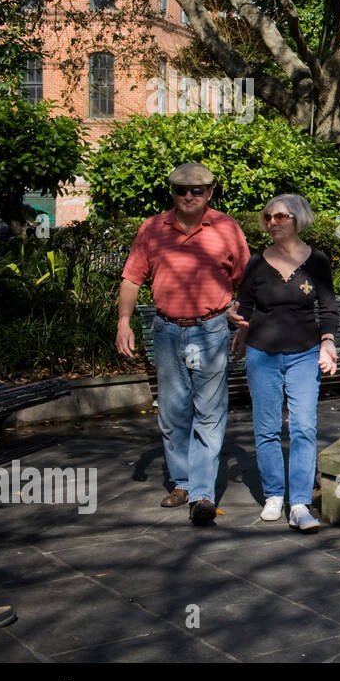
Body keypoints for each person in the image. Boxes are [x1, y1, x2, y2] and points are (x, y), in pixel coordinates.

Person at [117, 163, 249, 526]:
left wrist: (242, 324)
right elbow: (131, 279)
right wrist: (123, 322)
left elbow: (247, 283)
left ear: (210, 192)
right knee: (173, 414)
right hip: (167, 331)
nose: (189, 196)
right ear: (172, 191)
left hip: (212, 330)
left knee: (209, 413)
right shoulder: (152, 228)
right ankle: (182, 483)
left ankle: (203, 493)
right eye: (181, 190)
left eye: (197, 190)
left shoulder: (227, 228)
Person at [230, 194, 338, 533]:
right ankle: (274, 494)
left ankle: (300, 503)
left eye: (281, 217)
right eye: (269, 217)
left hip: (305, 353)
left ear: (299, 220)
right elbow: (245, 306)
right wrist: (236, 322)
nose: (273, 222)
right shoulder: (257, 263)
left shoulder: (317, 262)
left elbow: (329, 309)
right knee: (267, 428)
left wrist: (328, 344)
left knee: (304, 427)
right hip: (262, 354)